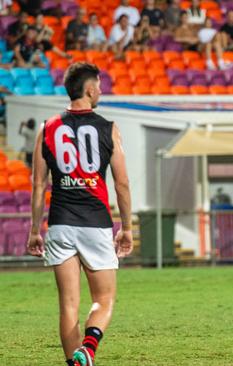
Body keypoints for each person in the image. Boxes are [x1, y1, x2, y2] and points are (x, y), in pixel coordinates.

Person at [26, 62, 132, 366]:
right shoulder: (108, 128)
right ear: (89, 89)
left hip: (59, 223)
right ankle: (88, 348)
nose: (100, 90)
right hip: (96, 223)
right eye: (98, 85)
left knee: (68, 307)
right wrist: (126, 227)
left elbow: (38, 184)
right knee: (104, 299)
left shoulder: (48, 128)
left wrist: (35, 230)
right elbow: (122, 183)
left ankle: (77, 362)